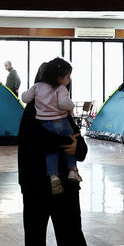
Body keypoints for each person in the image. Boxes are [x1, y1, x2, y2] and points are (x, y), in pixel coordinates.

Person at [19, 60, 101, 246]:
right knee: (35, 234)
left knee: (72, 233)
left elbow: (79, 143)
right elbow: (31, 144)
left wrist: (78, 146)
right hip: (36, 184)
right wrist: (68, 144)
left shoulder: (63, 110)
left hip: (66, 185)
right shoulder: (31, 112)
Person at [20, 58, 79, 193]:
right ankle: (72, 170)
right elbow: (76, 140)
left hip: (35, 183)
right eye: (67, 77)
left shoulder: (33, 103)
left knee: (51, 152)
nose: (69, 80)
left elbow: (24, 97)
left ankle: (53, 175)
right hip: (42, 184)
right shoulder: (61, 95)